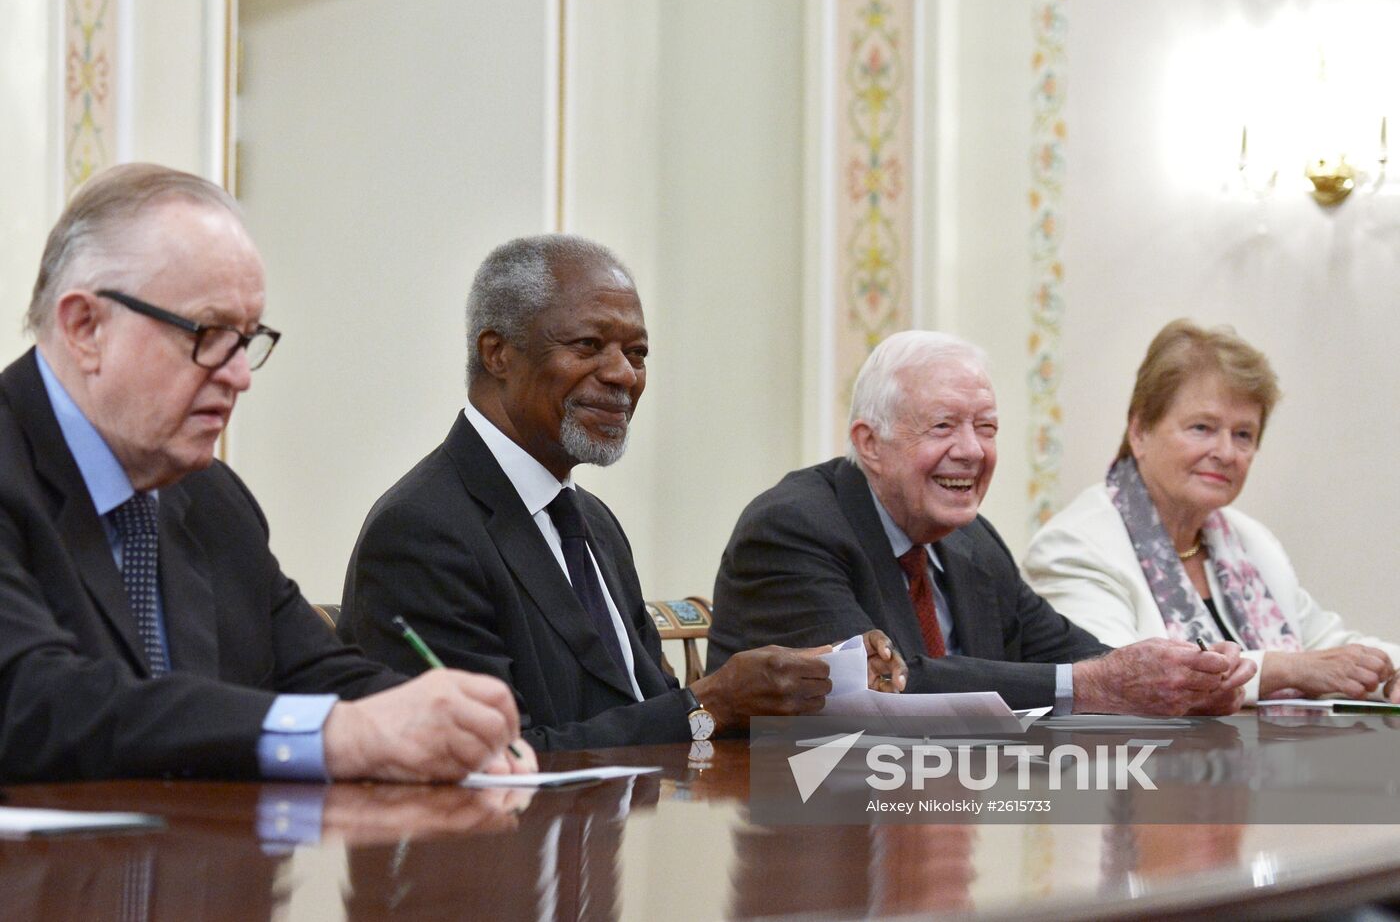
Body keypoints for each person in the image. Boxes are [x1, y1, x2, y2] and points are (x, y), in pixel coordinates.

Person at [0, 163, 532, 783]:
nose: (239, 375)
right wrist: (343, 737)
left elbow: (317, 674)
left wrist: (446, 728)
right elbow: (33, 703)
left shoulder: (210, 498)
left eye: (247, 339)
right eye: (208, 334)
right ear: (85, 327)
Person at [339, 235, 899, 750]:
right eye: (588, 345)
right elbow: (491, 758)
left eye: (637, 353)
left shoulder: (594, 523)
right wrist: (716, 701)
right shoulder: (422, 528)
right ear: (498, 354)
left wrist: (809, 684)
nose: (624, 375)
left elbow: (653, 710)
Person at [708, 330, 1254, 714]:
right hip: (814, 826)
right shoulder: (793, 528)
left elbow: (1066, 652)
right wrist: (1102, 684)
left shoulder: (969, 541)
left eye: (986, 428)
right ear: (870, 444)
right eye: (943, 426)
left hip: (952, 814)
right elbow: (878, 688)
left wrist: (1184, 677)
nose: (971, 451)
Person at [1023, 319, 1400, 703]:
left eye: (1243, 435)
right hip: (1139, 762)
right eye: (1202, 427)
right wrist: (1286, 668)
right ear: (1139, 431)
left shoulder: (1249, 541)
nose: (1225, 453)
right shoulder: (1074, 546)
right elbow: (1120, 682)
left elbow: (1328, 648)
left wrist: (1390, 674)